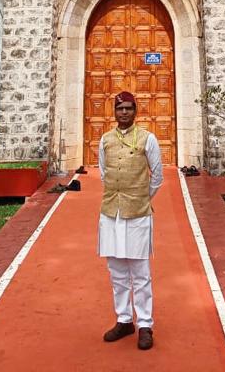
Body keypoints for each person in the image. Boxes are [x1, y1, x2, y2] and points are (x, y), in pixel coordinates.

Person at [98, 90, 163, 350]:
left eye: (128, 108)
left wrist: (140, 197)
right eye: (119, 108)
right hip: (111, 213)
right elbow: (104, 173)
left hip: (137, 212)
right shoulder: (105, 140)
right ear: (114, 112)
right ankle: (124, 320)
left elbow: (156, 175)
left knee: (140, 272)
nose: (124, 112)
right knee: (116, 271)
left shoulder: (148, 139)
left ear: (135, 111)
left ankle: (145, 323)